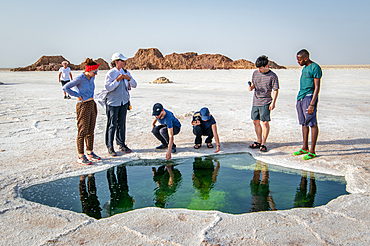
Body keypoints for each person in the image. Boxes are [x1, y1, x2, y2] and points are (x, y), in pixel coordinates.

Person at [63, 58, 101, 165]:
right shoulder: (80, 78)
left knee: (91, 129)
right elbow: (66, 87)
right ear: (89, 70)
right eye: (95, 71)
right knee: (82, 130)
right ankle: (80, 155)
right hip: (83, 106)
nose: (96, 73)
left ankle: (90, 152)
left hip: (92, 104)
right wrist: (77, 95)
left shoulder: (91, 78)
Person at [104, 53, 137, 156]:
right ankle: (110, 146)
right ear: (116, 62)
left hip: (123, 102)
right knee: (112, 124)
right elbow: (108, 88)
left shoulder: (126, 72)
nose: (124, 62)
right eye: (122, 61)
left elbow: (134, 84)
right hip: (113, 103)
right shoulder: (111, 73)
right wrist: (117, 80)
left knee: (121, 124)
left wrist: (128, 78)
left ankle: (121, 144)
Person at [294, 49, 322, 160]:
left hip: (309, 97)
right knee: (304, 123)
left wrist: (312, 103)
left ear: (305, 58)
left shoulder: (315, 67)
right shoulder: (305, 68)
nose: (298, 62)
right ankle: (304, 147)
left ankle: (312, 151)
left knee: (312, 123)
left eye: (299, 60)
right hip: (301, 97)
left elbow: (317, 87)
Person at [248, 55, 279, 152]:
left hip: (266, 102)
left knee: (265, 123)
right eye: (257, 68)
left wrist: (273, 102)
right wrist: (251, 87)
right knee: (255, 121)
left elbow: (276, 90)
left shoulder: (272, 76)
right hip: (256, 101)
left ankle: (263, 143)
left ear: (266, 66)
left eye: (260, 68)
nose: (258, 70)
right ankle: (258, 140)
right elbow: (253, 85)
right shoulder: (255, 73)